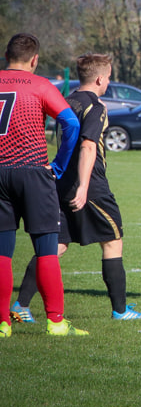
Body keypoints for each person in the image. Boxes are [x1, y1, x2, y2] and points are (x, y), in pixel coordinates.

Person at [13, 54, 141, 321]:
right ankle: (120, 311)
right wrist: (85, 187)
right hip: (90, 185)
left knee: (57, 245)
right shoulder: (96, 107)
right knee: (112, 242)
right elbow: (88, 146)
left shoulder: (67, 101)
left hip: (60, 182)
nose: (109, 81)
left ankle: (20, 304)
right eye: (109, 77)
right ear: (100, 78)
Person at [0, 32, 88, 337]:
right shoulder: (39, 84)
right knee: (47, 249)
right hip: (34, 171)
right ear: (35, 59)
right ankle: (56, 322)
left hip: (0, 172)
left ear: (6, 56)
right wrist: (61, 164)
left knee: (2, 252)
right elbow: (71, 122)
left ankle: (2, 324)